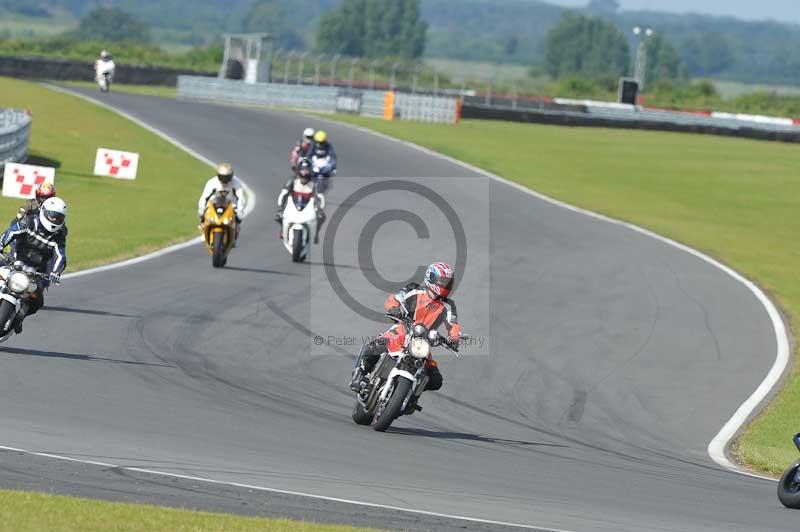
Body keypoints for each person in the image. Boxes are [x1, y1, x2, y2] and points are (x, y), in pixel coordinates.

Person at [349, 262, 462, 394]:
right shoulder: (413, 289)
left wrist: (454, 338)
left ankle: (410, 394)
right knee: (375, 346)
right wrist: (394, 308)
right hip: (402, 330)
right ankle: (359, 376)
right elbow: (394, 299)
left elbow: (453, 324)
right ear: (431, 278)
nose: (445, 286)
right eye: (442, 282)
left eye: (448, 283)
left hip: (422, 343)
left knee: (436, 380)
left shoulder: (448, 305)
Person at [0, 197, 68, 334]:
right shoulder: (30, 222)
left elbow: (61, 256)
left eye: (58, 217)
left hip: (35, 272)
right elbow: (11, 232)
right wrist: (1, 244)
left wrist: (56, 272)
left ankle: (18, 319)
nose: (54, 220)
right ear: (44, 211)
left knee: (38, 302)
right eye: (52, 216)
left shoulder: (58, 236)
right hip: (13, 262)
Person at [275, 158, 326, 243]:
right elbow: (283, 194)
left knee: (321, 217)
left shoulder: (314, 183)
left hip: (308, 207)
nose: (305, 172)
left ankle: (316, 233)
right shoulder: (292, 181)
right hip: (293, 206)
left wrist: (320, 208)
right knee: (279, 215)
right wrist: (280, 206)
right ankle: (282, 230)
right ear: (299, 170)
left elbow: (320, 197)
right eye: (303, 170)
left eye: (307, 170)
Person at [197, 163, 246, 246]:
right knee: (202, 213)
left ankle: (235, 236)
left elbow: (240, 198)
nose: (225, 180)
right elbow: (204, 196)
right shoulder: (212, 182)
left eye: (227, 177)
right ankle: (204, 230)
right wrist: (201, 207)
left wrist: (240, 209)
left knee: (239, 217)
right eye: (222, 177)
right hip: (214, 203)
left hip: (230, 205)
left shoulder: (236, 183)